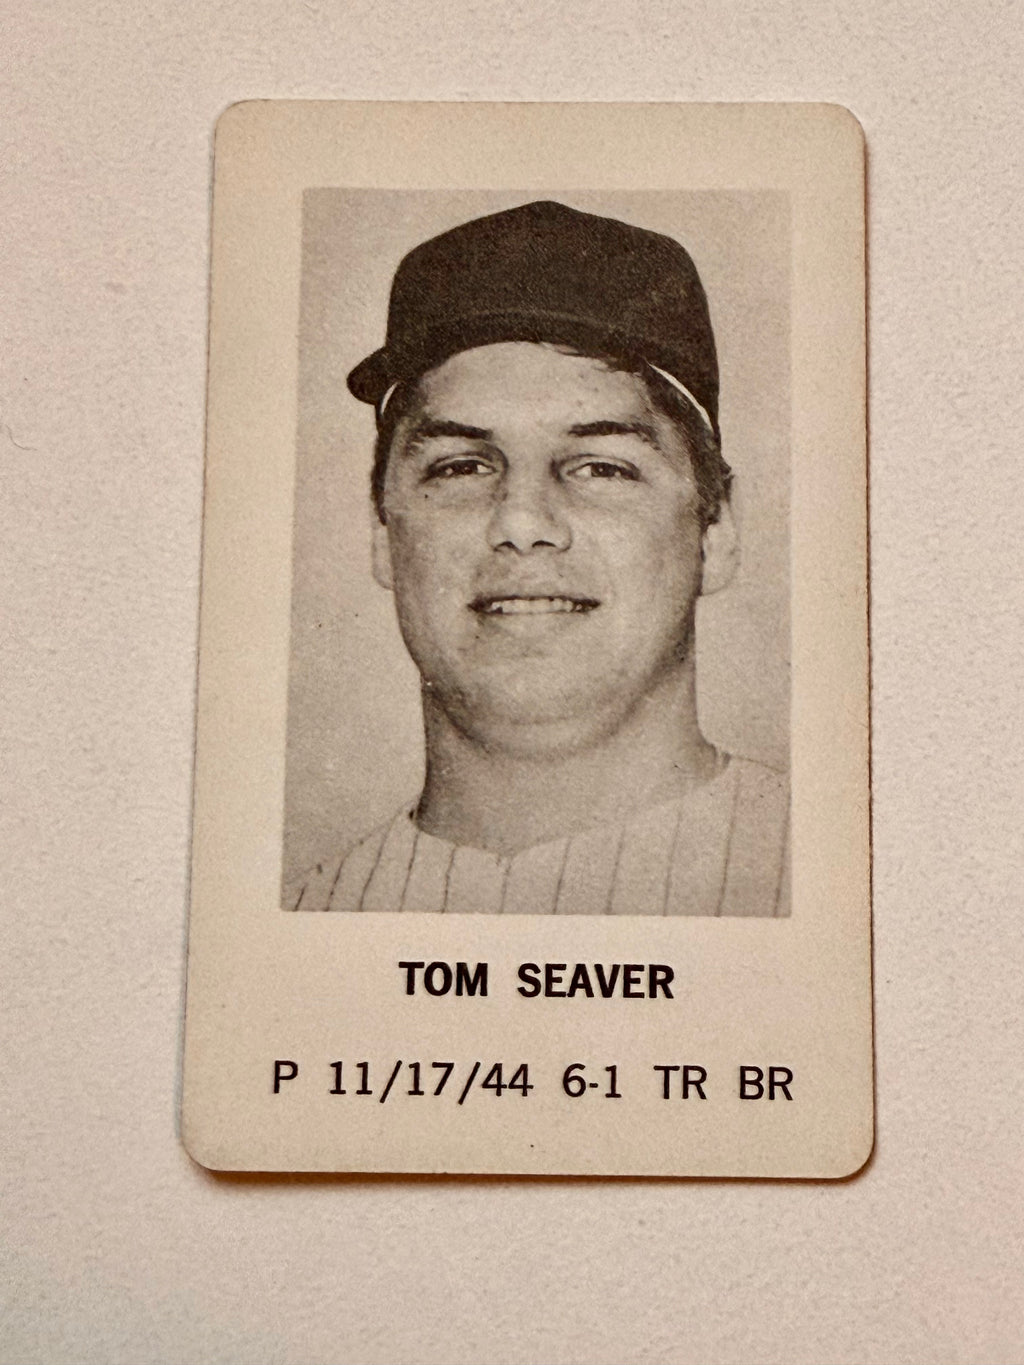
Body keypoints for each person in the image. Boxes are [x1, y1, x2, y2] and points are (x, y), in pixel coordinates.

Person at [292, 200, 788, 916]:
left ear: (717, 531)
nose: (522, 524)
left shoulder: (839, 887)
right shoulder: (306, 919)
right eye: (461, 466)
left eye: (601, 467)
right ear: (382, 531)